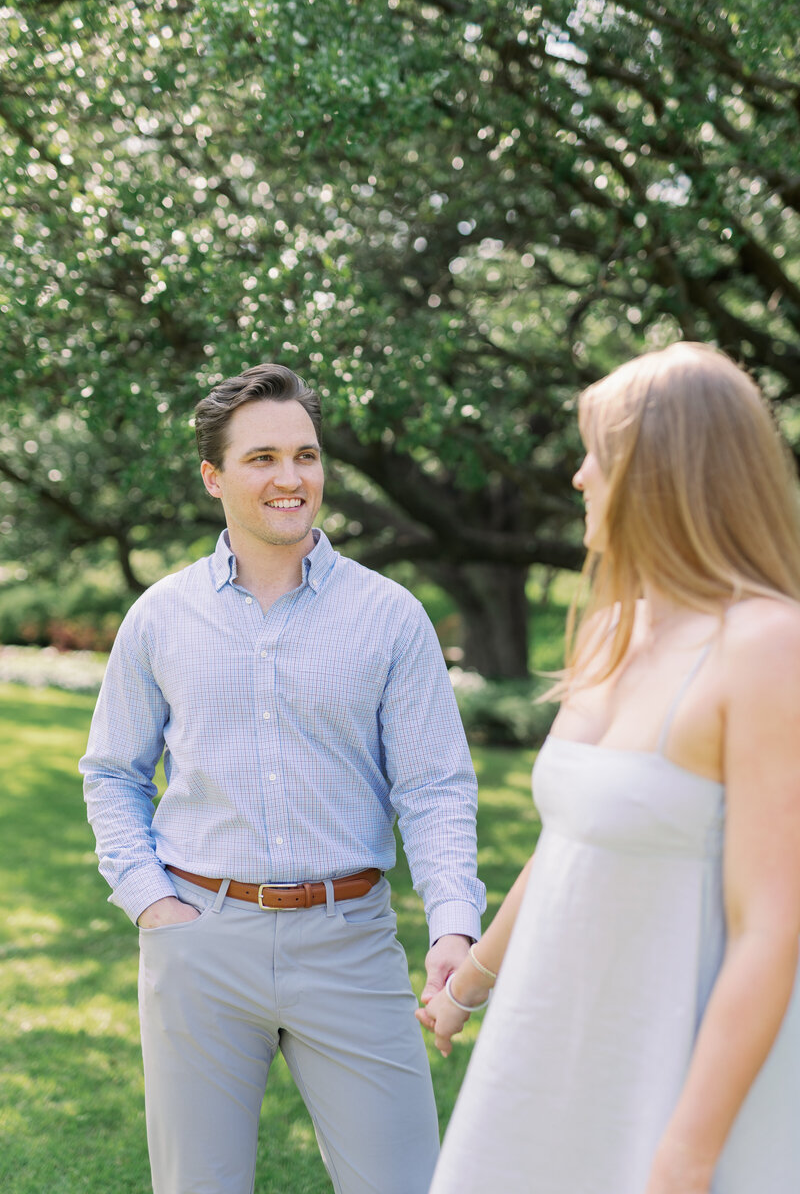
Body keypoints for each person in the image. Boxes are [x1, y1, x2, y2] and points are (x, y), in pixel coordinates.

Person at [80, 362, 486, 1194]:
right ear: (214, 477)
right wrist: (151, 900)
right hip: (199, 940)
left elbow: (436, 786)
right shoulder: (160, 615)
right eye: (262, 458)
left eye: (305, 454)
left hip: (352, 942)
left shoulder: (388, 616)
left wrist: (453, 923)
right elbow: (113, 771)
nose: (291, 477)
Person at [417, 341, 800, 1194]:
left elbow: (771, 930)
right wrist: (468, 984)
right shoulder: (609, 631)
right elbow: (570, 846)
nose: (581, 478)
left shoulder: (769, 645)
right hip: (550, 1049)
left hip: (678, 1079)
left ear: (663, 472)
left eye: (600, 453)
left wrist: (686, 1158)